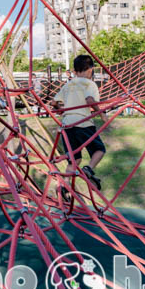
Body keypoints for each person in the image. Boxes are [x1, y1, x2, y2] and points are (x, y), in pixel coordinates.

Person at [52, 54, 108, 190]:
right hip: (83, 123)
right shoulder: (90, 84)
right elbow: (90, 100)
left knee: (74, 159)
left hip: (66, 125)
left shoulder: (68, 84)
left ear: (75, 71)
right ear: (90, 70)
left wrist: (60, 109)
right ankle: (89, 169)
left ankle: (64, 187)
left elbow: (53, 102)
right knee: (99, 150)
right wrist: (102, 114)